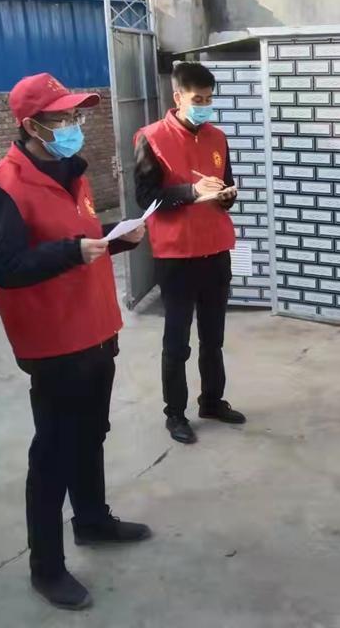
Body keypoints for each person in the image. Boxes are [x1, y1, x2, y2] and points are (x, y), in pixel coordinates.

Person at [0, 73, 152, 611]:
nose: (75, 125)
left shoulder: (73, 172)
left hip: (96, 329)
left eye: (77, 115)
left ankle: (92, 520)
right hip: (53, 343)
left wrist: (118, 238)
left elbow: (81, 241)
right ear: (32, 126)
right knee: (52, 453)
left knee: (91, 433)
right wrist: (72, 251)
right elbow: (3, 266)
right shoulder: (3, 187)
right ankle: (46, 567)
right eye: (63, 118)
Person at [134, 61, 244, 445]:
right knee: (177, 342)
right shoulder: (151, 138)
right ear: (177, 97)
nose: (205, 106)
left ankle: (212, 401)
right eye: (198, 100)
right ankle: (175, 414)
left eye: (210, 99)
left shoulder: (217, 137)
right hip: (176, 255)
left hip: (215, 249)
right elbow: (146, 198)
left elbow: (226, 185)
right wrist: (191, 192)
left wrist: (226, 196)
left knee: (213, 338)